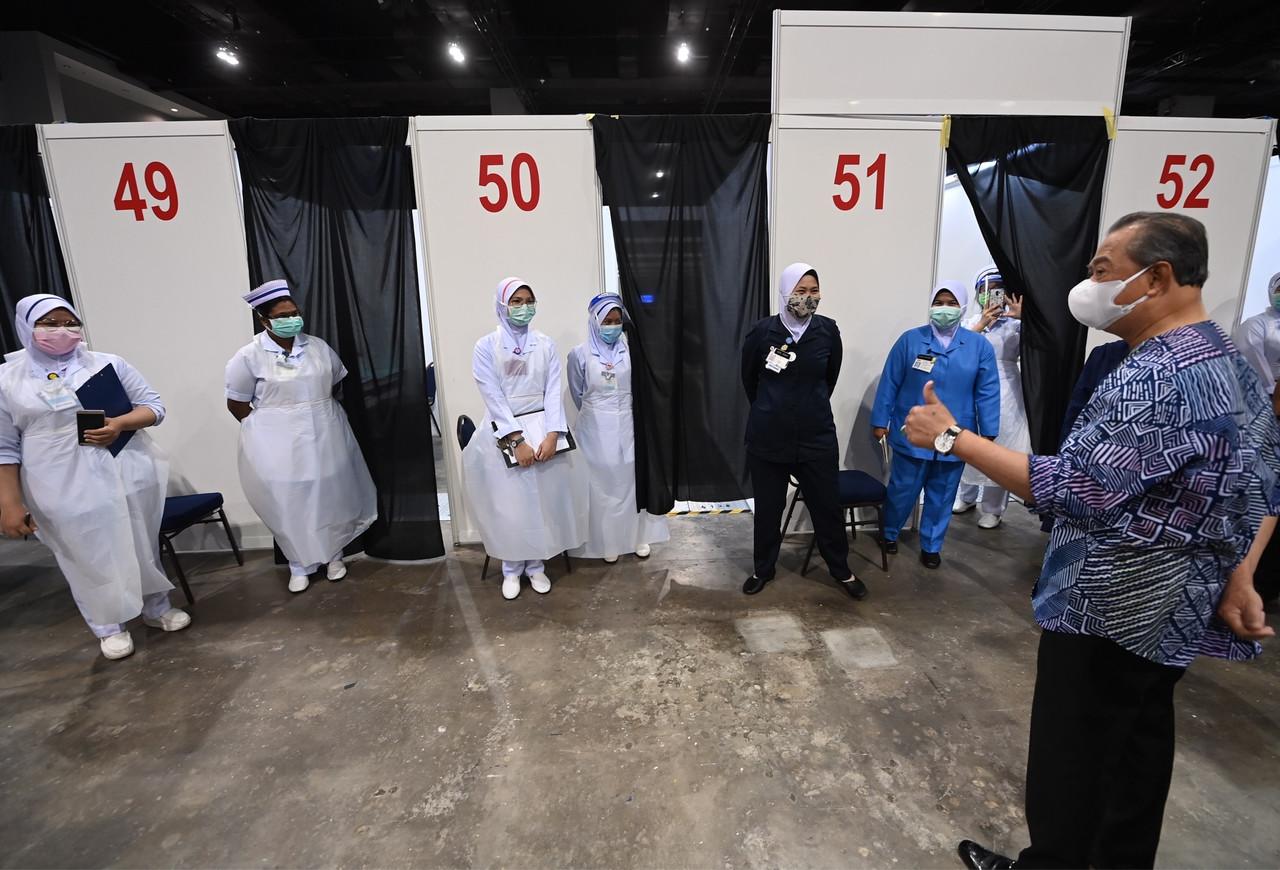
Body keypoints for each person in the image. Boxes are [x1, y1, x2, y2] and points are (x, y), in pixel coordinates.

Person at [901, 213, 1278, 870]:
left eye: (1102, 270)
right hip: (1174, 613)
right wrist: (1239, 576)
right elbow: (1256, 485)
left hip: (1107, 606)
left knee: (1071, 765)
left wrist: (951, 438)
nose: (1089, 284)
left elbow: (1078, 488)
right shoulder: (1229, 363)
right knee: (1134, 754)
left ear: (1156, 277)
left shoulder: (1156, 373)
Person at [0, 294, 190, 660]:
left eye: (69, 322)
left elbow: (154, 407)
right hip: (54, 475)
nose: (62, 331)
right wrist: (9, 503)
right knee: (82, 549)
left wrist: (119, 424)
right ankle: (108, 626)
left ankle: (156, 608)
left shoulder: (107, 364)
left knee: (138, 540)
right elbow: (4, 448)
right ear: (26, 326)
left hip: (122, 462)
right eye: (49, 324)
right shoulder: (8, 380)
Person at [225, 280, 377, 594]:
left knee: (331, 491)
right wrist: (271, 426)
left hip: (326, 430)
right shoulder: (248, 356)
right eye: (283, 315)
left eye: (294, 312)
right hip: (276, 440)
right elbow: (237, 402)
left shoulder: (318, 347)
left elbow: (334, 381)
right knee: (289, 499)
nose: (292, 319)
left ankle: (334, 556)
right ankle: (299, 563)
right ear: (264, 320)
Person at [741, 262, 867, 600]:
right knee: (768, 509)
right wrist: (772, 407)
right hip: (768, 438)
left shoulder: (828, 331)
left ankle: (840, 569)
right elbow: (749, 380)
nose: (807, 298)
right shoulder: (761, 333)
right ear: (785, 293)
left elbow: (830, 378)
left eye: (813, 291)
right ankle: (762, 569)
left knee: (826, 506)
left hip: (816, 437)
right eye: (800, 291)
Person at [462, 277, 588, 600]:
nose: (523, 307)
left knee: (540, 503)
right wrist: (516, 441)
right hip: (505, 432)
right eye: (516, 301)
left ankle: (536, 566)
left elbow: (552, 392)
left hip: (542, 428)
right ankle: (511, 569)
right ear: (502, 305)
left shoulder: (545, 345)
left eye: (528, 300)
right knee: (511, 506)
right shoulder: (486, 347)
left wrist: (552, 433)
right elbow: (492, 395)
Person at [871, 280, 999, 568]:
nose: (944, 309)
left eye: (951, 303)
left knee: (943, 493)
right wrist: (880, 419)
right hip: (912, 429)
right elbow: (890, 381)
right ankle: (889, 533)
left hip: (955, 433)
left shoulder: (978, 346)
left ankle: (931, 545)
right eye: (939, 302)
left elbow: (988, 390)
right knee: (903, 487)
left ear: (963, 307)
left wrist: (988, 431)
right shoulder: (910, 340)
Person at [567, 292, 669, 563]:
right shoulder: (578, 354)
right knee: (601, 486)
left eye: (616, 321)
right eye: (606, 321)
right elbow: (578, 393)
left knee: (630, 483)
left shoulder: (632, 351)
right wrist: (599, 411)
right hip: (595, 427)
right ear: (594, 321)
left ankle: (636, 538)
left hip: (628, 425)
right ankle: (607, 542)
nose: (612, 326)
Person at [953, 266, 1030, 529]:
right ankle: (966, 496)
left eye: (997, 289)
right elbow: (956, 350)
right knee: (968, 440)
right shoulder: (968, 322)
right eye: (985, 290)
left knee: (1001, 444)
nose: (991, 295)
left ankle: (994, 509)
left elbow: (1037, 351)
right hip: (972, 385)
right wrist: (981, 324)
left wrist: (1025, 318)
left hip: (1007, 388)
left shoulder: (1016, 325)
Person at [1232, 271, 1280, 397]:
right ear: (1272, 292)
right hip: (1263, 400)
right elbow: (1250, 368)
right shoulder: (1254, 325)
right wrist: (1272, 392)